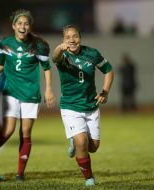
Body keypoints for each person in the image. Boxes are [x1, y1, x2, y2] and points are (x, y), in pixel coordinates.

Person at [0, 9, 55, 181]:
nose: (23, 26)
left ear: (30, 27)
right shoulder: (5, 43)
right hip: (11, 92)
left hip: (30, 94)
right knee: (8, 130)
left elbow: (46, 69)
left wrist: (48, 89)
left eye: (26, 23)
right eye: (19, 23)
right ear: (14, 25)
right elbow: (1, 64)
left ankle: (20, 173)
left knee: (26, 132)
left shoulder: (39, 45)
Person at [52, 25, 114, 186]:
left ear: (80, 37)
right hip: (71, 107)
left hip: (91, 106)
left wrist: (105, 91)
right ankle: (89, 179)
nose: (72, 40)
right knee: (81, 142)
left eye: (75, 36)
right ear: (63, 40)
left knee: (93, 147)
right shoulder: (63, 55)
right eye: (67, 37)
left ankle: (75, 141)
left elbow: (108, 70)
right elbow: (54, 57)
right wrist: (60, 47)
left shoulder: (91, 53)